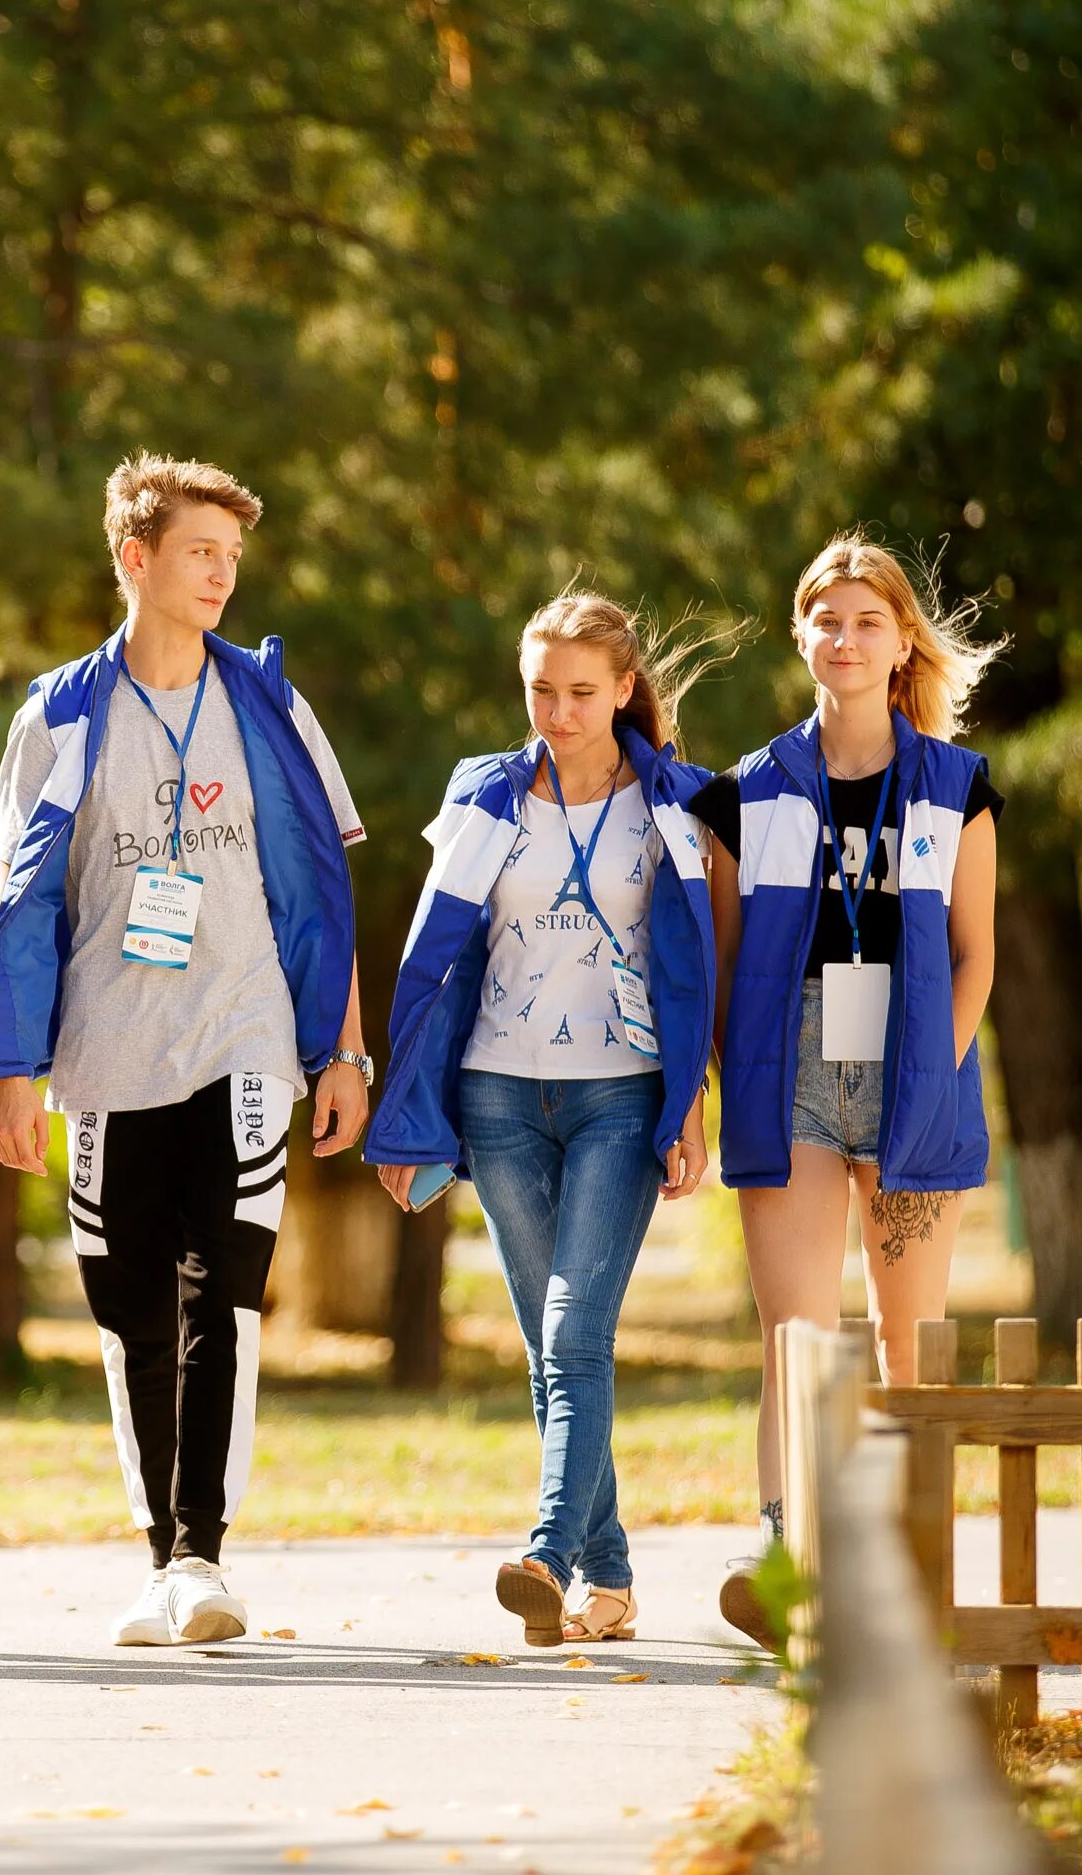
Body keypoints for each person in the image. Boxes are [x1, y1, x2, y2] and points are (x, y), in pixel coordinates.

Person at [0, 452, 372, 1648]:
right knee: (128, 1311)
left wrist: (343, 1047)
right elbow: (20, 904)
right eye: (200, 551)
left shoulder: (268, 702)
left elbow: (320, 887)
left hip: (245, 1031)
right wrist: (11, 1067)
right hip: (105, 1046)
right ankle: (163, 1553)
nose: (222, 573)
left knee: (226, 1295)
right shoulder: (55, 712)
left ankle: (200, 1552)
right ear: (133, 558)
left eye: (232, 555)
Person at [365, 590, 726, 1648]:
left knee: (573, 1332)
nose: (557, 712)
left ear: (623, 688)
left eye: (580, 692)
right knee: (553, 1345)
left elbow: (702, 963)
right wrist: (412, 1119)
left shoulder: (677, 802)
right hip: (495, 1091)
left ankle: (545, 1554)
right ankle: (608, 1578)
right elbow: (435, 962)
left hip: (625, 1090)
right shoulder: (481, 794)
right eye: (540, 691)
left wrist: (691, 1098)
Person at [690, 534, 1002, 1649]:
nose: (847, 638)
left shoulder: (957, 784)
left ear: (902, 638)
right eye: (828, 619)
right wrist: (732, 1074)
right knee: (797, 1335)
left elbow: (976, 953)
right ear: (801, 635)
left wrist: (929, 1070)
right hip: (794, 1070)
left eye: (869, 619)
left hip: (921, 1067)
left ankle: (908, 1560)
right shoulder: (749, 788)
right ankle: (787, 1549)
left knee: (906, 1338)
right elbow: (723, 962)